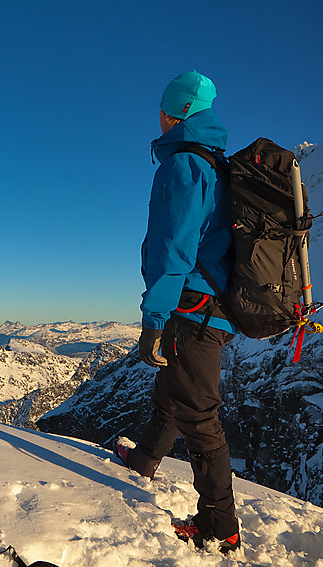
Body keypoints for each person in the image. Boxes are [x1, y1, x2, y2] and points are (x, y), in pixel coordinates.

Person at [114, 70, 240, 554]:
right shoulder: (214, 163)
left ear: (175, 113)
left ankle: (218, 524)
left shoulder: (184, 165)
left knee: (199, 412)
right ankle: (145, 459)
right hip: (213, 307)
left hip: (193, 307)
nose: (159, 118)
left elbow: (173, 250)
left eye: (162, 110)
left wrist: (154, 319)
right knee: (173, 386)